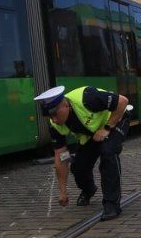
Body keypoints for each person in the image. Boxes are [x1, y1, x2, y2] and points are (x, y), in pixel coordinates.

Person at [36, 85, 130, 220]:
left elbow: (123, 101)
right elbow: (61, 157)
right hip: (92, 134)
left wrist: (107, 127)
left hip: (116, 119)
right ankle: (89, 189)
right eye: (50, 116)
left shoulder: (87, 98)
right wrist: (62, 192)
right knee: (78, 167)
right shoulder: (55, 125)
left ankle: (111, 205)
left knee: (107, 151)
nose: (54, 119)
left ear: (65, 105)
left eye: (55, 114)